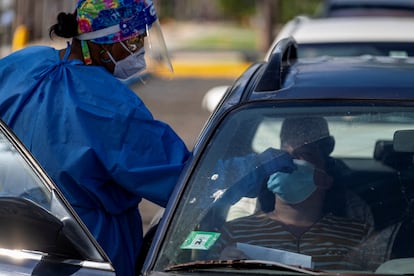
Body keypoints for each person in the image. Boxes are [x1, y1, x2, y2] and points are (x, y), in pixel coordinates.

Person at [0, 1, 190, 275]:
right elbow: (177, 179)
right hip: (91, 249)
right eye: (134, 41)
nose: (138, 50)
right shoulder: (113, 105)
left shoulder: (22, 63)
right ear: (103, 43)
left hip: (13, 244)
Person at [210, 117, 374, 270]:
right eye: (283, 155)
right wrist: (223, 263)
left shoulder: (360, 236)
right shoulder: (233, 233)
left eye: (305, 154)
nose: (288, 162)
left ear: (325, 179)